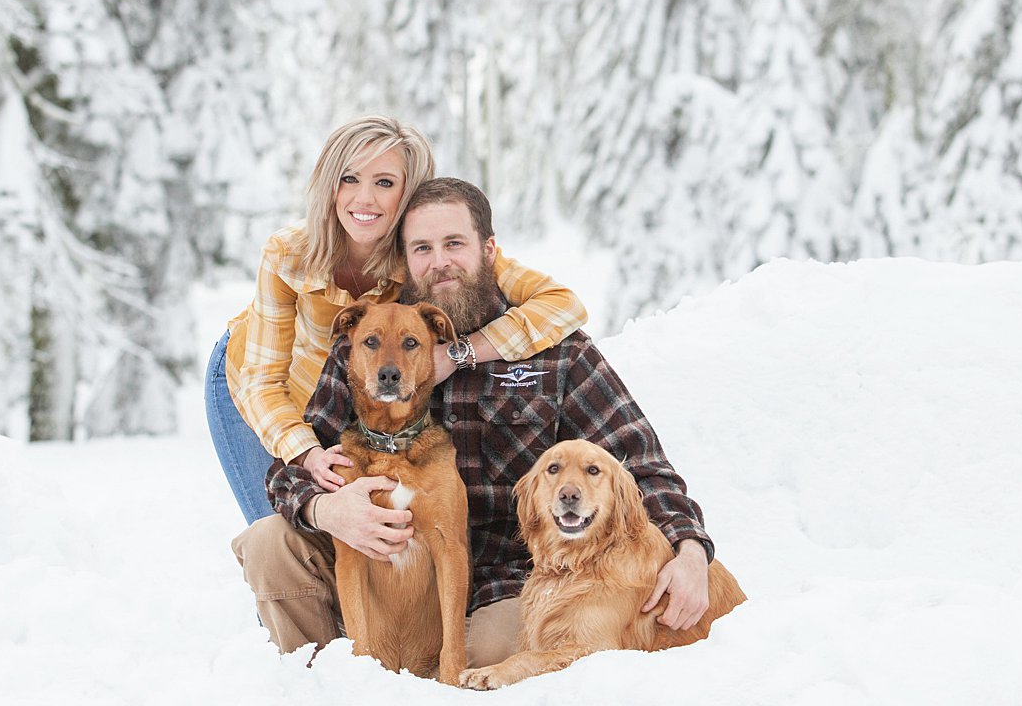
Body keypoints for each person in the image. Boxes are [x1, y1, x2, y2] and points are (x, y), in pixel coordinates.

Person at [231, 178, 716, 670]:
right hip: (381, 573)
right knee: (270, 544)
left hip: (502, 584)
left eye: (454, 244)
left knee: (490, 661)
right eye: (422, 247)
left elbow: (638, 463)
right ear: (405, 258)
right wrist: (325, 510)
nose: (439, 261)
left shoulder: (558, 354)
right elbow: (291, 469)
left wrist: (691, 549)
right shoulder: (377, 344)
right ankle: (330, 684)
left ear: (489, 250)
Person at [205, 118, 588, 524]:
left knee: (352, 543)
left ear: (409, 193)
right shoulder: (288, 254)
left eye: (385, 183)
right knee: (281, 529)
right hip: (254, 388)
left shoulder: (425, 255)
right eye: (349, 178)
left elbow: (562, 305)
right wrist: (305, 451)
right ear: (329, 183)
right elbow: (262, 380)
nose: (364, 198)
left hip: (349, 397)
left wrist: (460, 353)